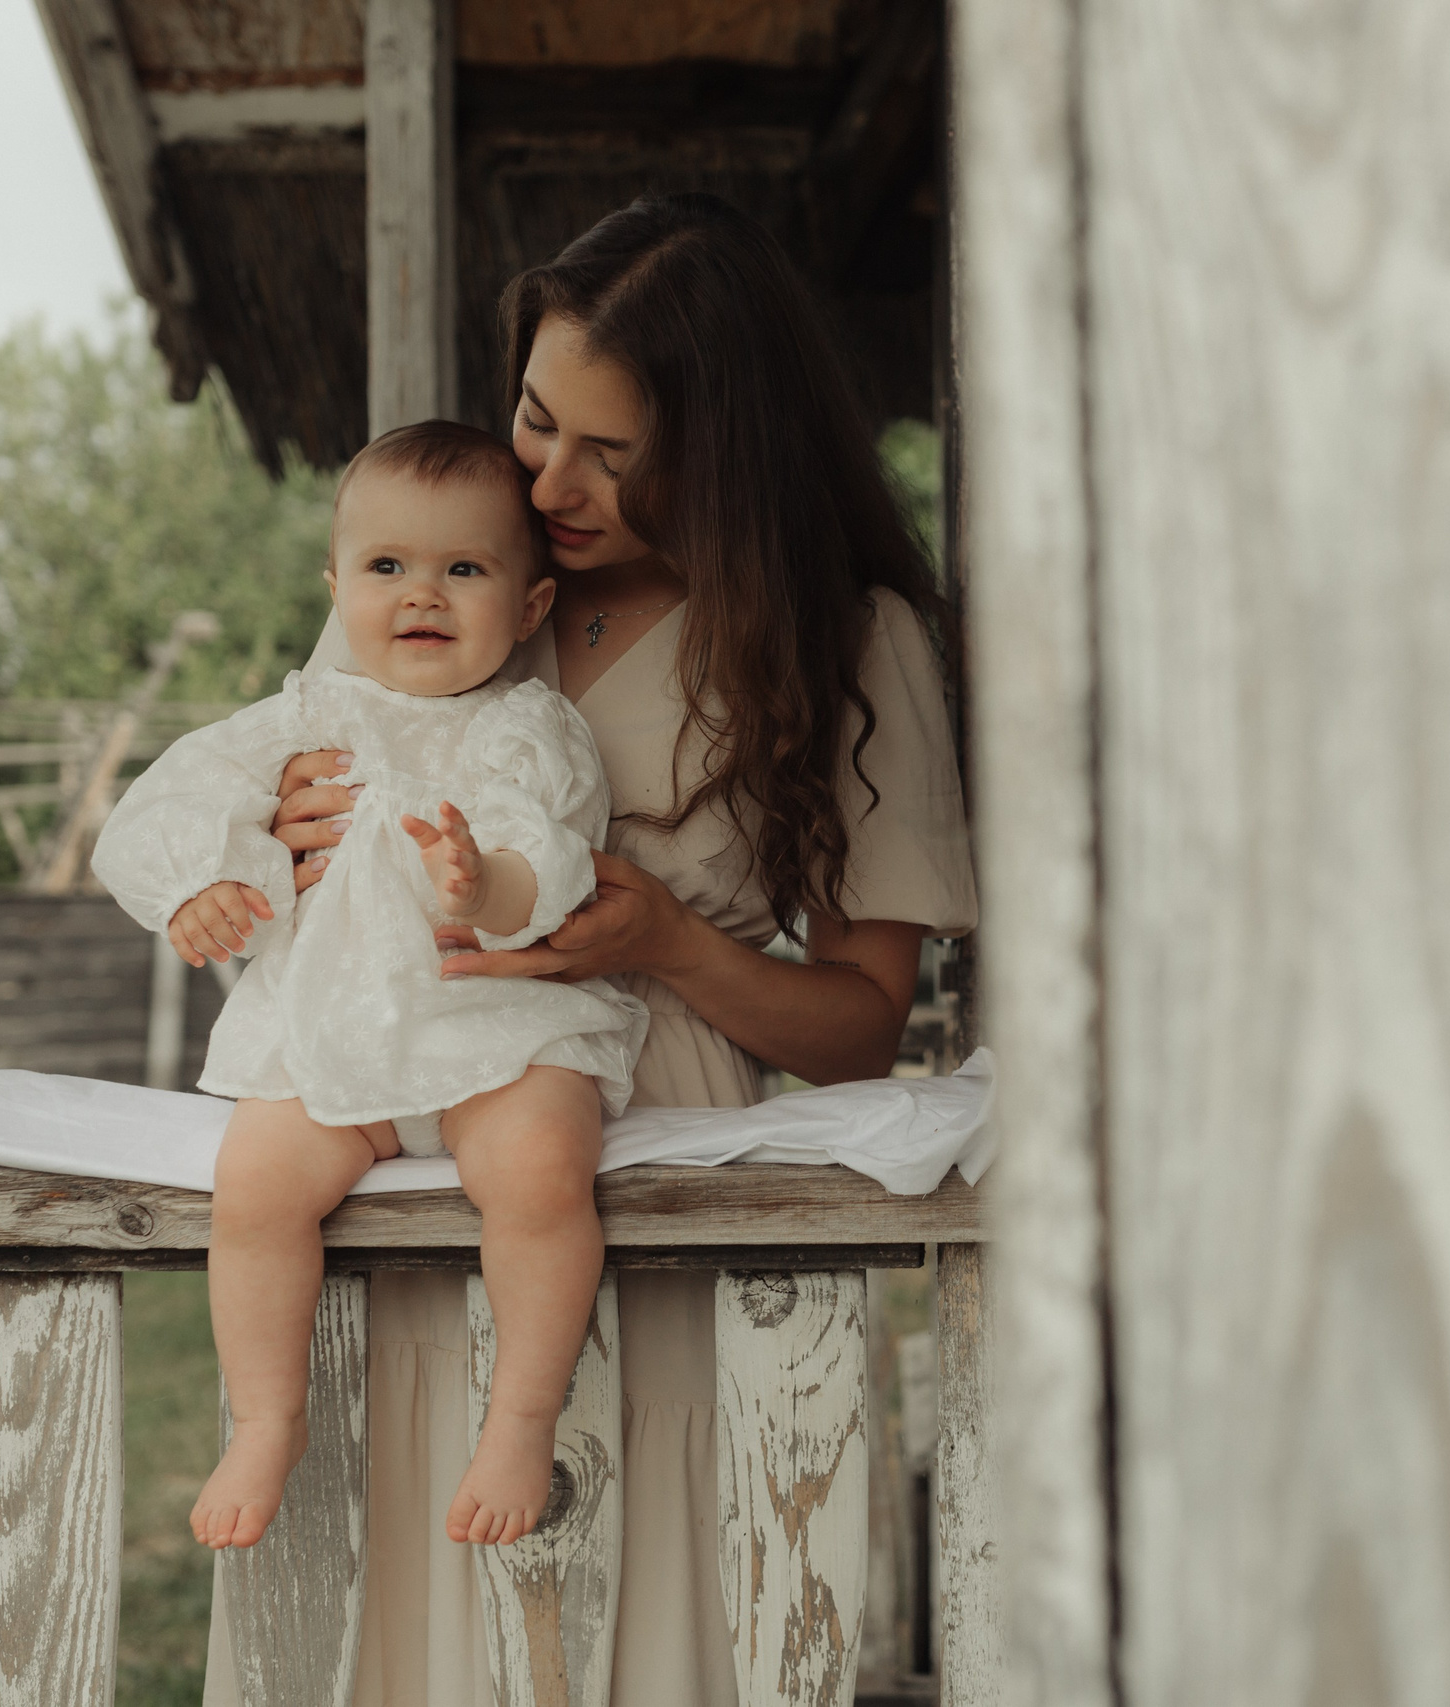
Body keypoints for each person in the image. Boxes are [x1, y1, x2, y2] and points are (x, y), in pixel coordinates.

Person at [203, 193, 977, 1707]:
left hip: (662, 1158)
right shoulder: (444, 556)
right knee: (402, 1590)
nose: (547, 478)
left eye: (609, 452)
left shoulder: (850, 634)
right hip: (399, 1130)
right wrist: (278, 839)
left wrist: (667, 937)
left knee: (649, 1598)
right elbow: (287, 806)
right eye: (537, 417)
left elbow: (862, 1029)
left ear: (726, 444)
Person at [93, 421, 649, 1557]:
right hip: (328, 1030)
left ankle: (521, 1419)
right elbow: (171, 796)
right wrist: (201, 876)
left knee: (542, 1169)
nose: (422, 595)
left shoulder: (526, 728)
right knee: (253, 1189)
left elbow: (549, 852)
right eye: (387, 567)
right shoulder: (305, 715)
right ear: (336, 586)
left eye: (464, 569)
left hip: (494, 1025)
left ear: (531, 607)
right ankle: (265, 1418)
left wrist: (482, 879)